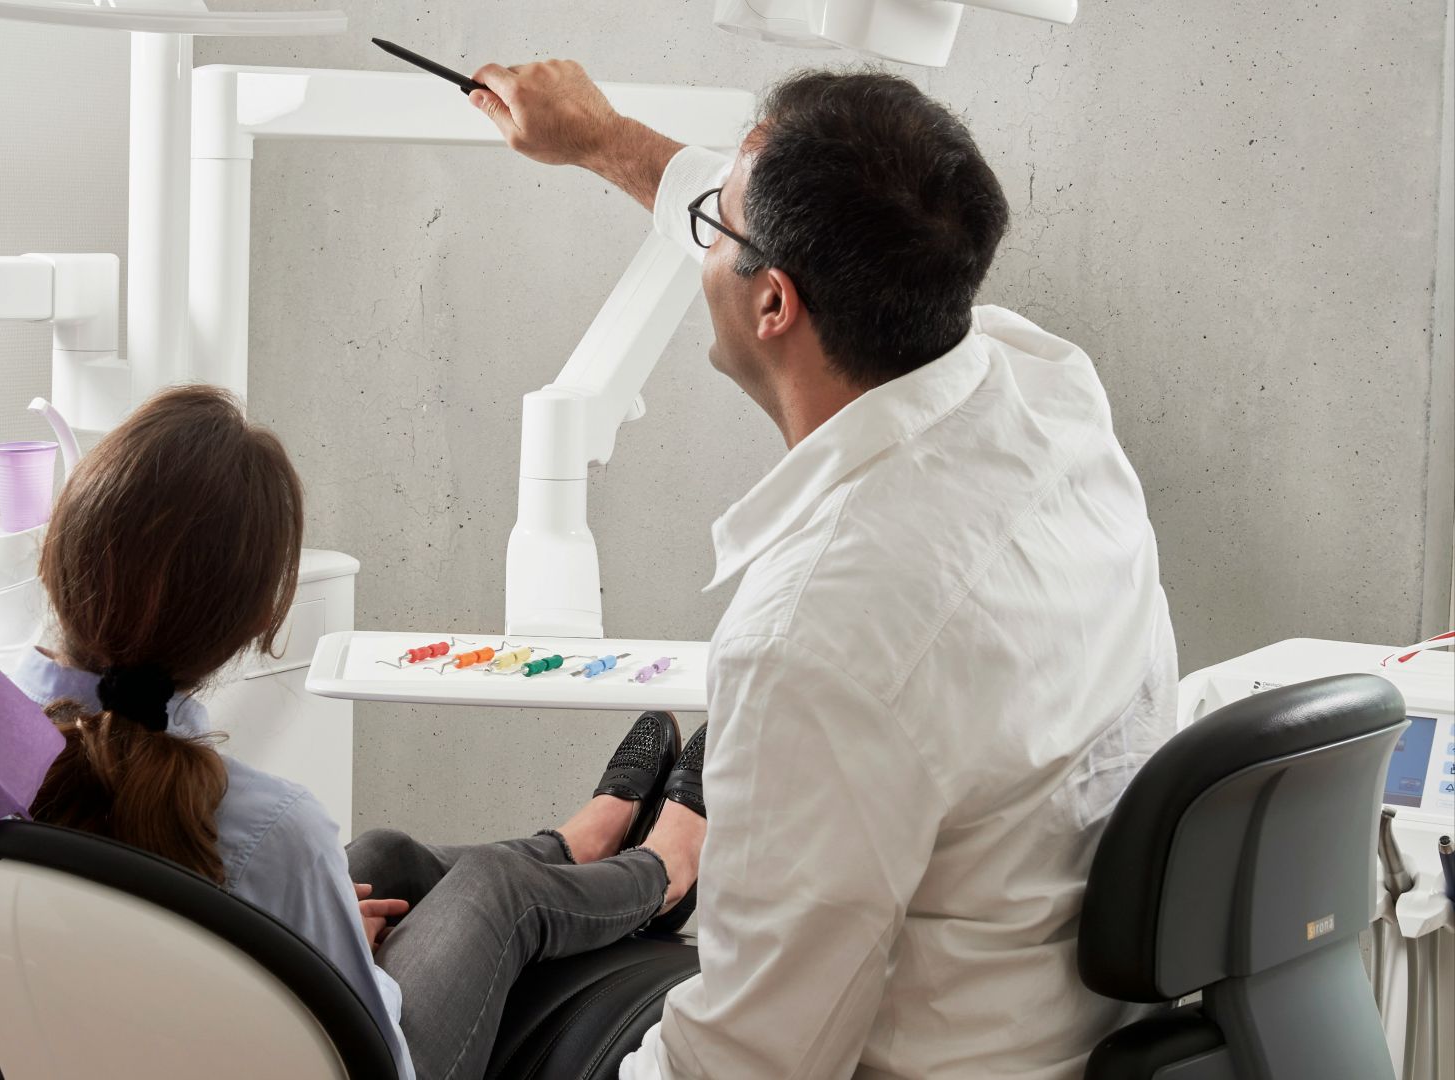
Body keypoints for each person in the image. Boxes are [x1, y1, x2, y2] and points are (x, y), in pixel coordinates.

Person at [467, 63, 1180, 1078]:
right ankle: (649, 867)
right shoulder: (1047, 390)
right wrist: (601, 138)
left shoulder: (818, 636)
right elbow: (793, 229)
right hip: (1045, 1016)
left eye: (717, 223)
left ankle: (627, 871)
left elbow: (744, 1066)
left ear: (773, 303)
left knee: (467, 945)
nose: (705, 236)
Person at [11, 384, 710, 1080]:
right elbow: (374, 1056)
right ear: (260, 624)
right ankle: (664, 872)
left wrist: (323, 932)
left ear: (57, 547)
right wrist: (341, 966)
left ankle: (573, 849)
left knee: (382, 854)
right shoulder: (274, 831)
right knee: (498, 887)